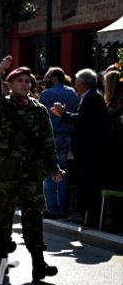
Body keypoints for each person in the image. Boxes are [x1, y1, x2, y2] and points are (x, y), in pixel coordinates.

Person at [0, 58, 63, 280]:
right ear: (10, 84)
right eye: (19, 81)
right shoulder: (3, 107)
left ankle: (38, 264)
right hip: (8, 170)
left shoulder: (39, 110)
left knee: (34, 217)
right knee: (4, 216)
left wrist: (54, 167)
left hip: (32, 171)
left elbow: (47, 141)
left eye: (27, 81)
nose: (25, 85)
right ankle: (1, 262)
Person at [50, 68, 108, 226]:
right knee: (84, 182)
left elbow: (83, 120)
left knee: (89, 183)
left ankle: (89, 217)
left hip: (90, 150)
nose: (75, 84)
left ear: (84, 83)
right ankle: (85, 215)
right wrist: (64, 114)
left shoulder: (93, 98)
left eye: (77, 81)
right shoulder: (88, 97)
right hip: (85, 150)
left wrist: (63, 114)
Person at [38, 67, 79, 219]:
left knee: (50, 174)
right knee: (63, 174)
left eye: (48, 77)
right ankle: (62, 209)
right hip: (67, 137)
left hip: (52, 136)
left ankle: (52, 209)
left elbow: (39, 116)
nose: (45, 80)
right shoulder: (73, 93)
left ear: (54, 77)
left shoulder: (46, 94)